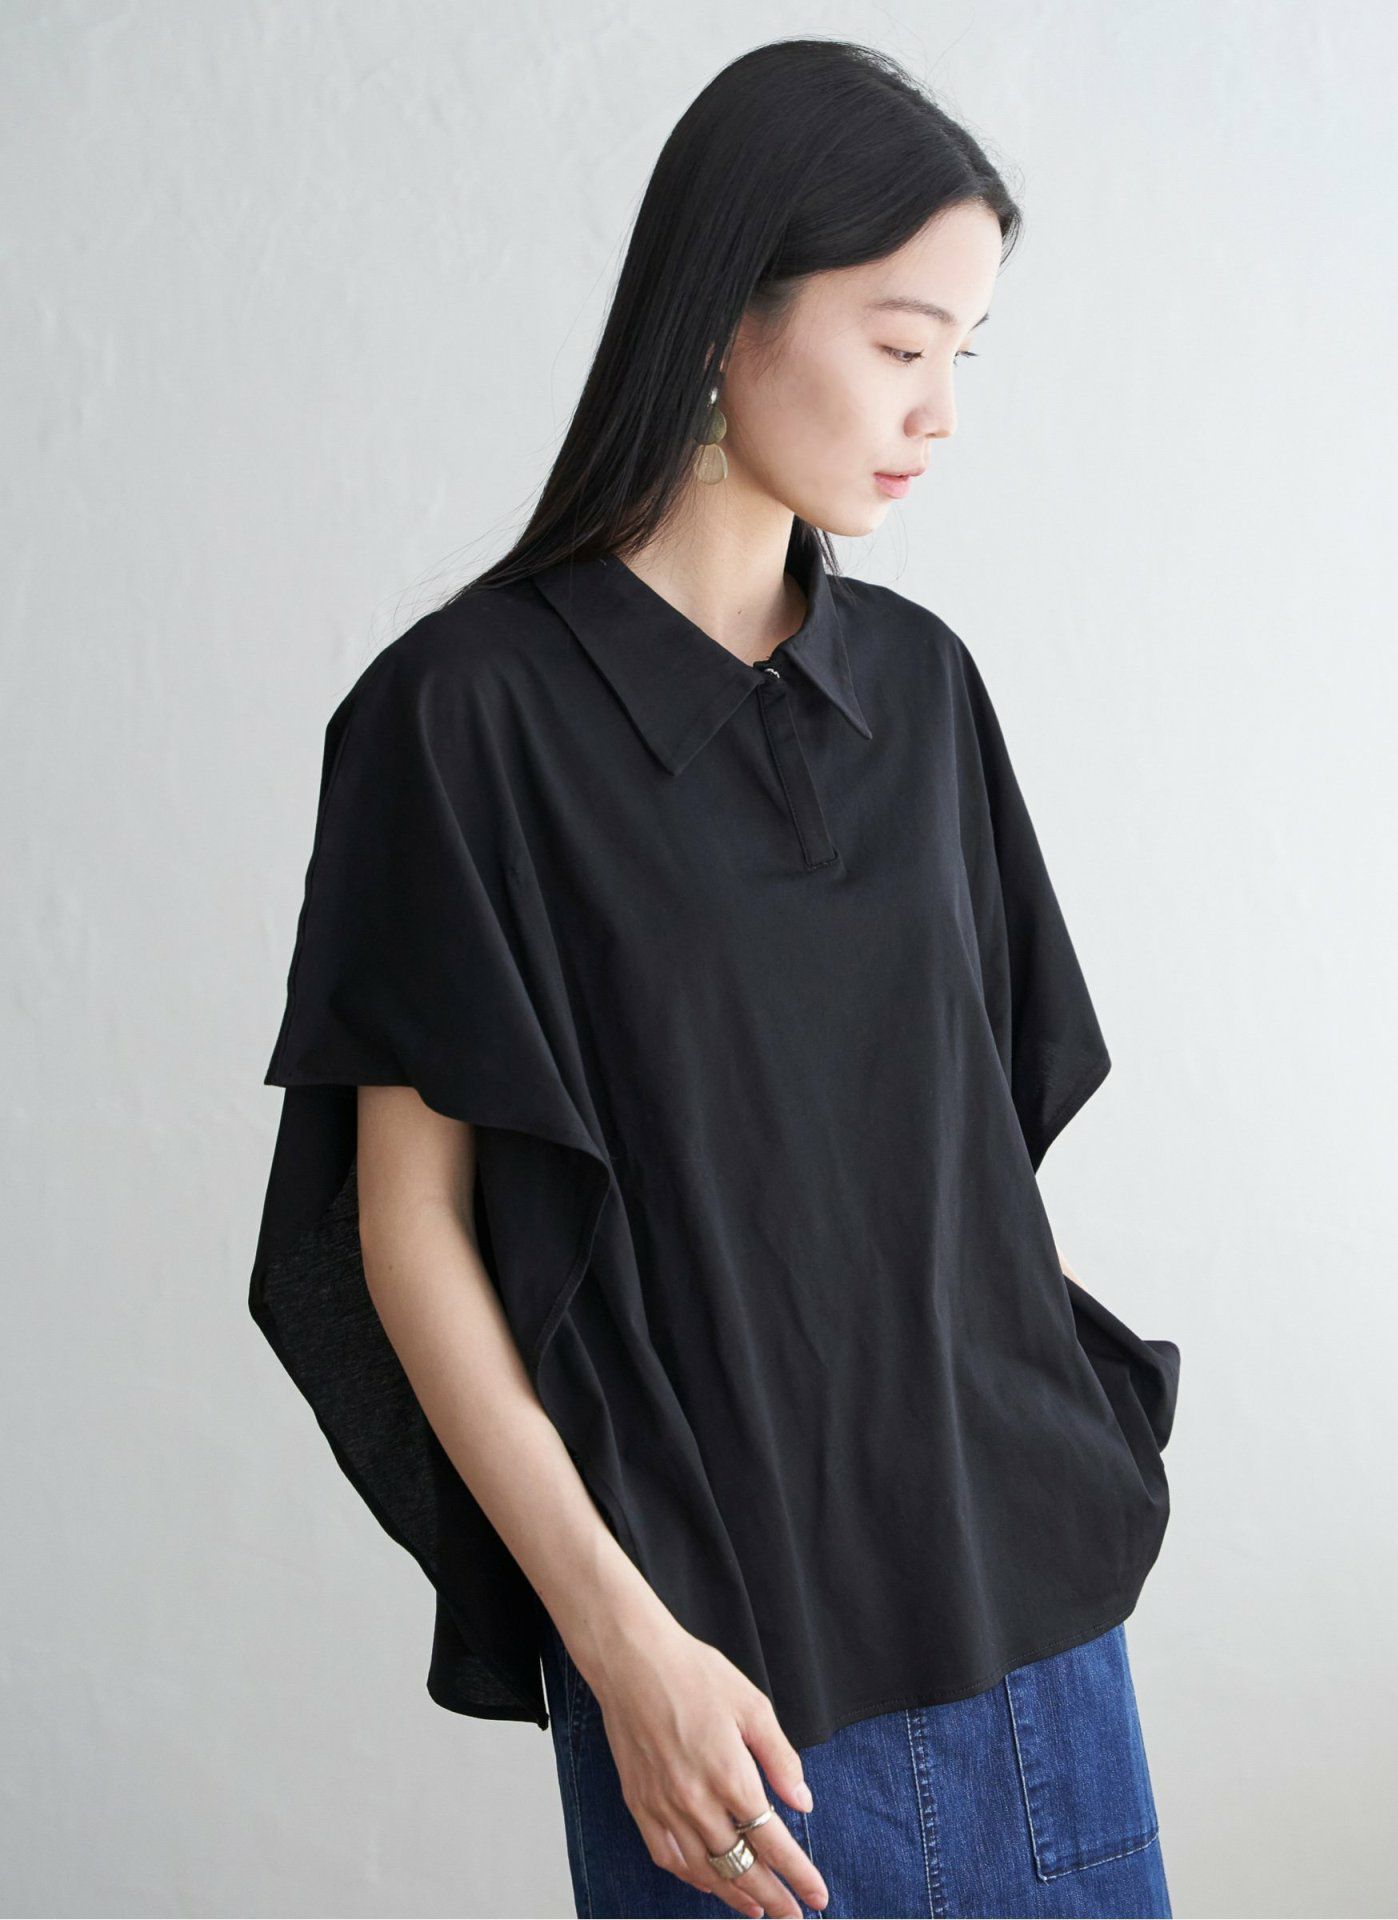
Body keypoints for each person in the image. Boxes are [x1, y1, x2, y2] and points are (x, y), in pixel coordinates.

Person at [250, 37, 1180, 1920]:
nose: (938, 411)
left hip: (1040, 1667)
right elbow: (405, 1230)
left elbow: (966, 1172)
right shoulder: (464, 719)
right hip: (724, 1699)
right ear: (727, 312)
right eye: (901, 343)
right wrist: (621, 1648)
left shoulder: (921, 694)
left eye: (965, 357)